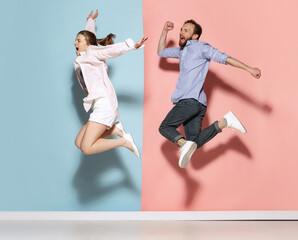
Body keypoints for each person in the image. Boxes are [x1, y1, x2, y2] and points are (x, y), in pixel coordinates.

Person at [158, 20, 261, 168]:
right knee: (195, 142)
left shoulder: (201, 47)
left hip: (189, 102)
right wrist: (164, 31)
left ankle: (183, 144)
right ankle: (225, 122)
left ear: (195, 36)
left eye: (186, 30)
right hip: (198, 104)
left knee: (165, 127)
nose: (181, 32)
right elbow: (161, 52)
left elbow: (224, 58)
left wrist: (249, 69)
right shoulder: (181, 51)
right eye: (181, 29)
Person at [74, 10, 147, 157]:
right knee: (79, 143)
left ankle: (124, 141)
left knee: (87, 148)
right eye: (75, 40)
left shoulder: (91, 52)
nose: (75, 42)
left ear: (87, 44)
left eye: (78, 40)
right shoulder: (83, 56)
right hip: (98, 104)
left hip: (105, 105)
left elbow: (110, 50)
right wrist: (90, 20)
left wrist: (132, 46)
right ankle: (115, 130)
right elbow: (89, 34)